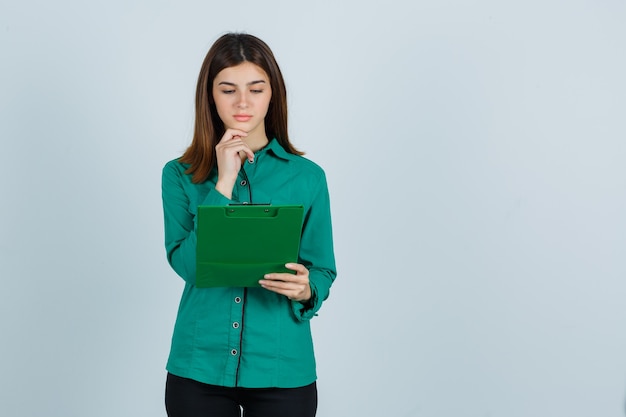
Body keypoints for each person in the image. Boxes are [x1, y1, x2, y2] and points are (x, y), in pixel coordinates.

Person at [161, 32, 337, 417]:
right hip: (198, 368)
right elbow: (189, 268)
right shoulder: (179, 175)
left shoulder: (308, 178)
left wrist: (308, 288)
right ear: (210, 95)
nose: (243, 102)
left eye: (256, 89)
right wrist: (222, 183)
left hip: (282, 367)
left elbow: (322, 267)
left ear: (273, 94)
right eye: (228, 89)